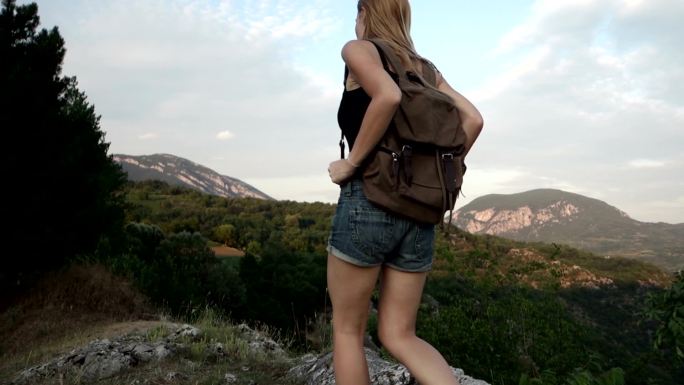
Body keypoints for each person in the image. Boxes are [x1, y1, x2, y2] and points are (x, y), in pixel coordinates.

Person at [325, 1, 484, 384]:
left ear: (365, 13)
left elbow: (388, 96)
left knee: (348, 331)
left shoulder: (359, 50)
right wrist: (438, 170)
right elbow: (474, 120)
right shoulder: (427, 70)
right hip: (420, 213)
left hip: (370, 199)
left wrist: (352, 163)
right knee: (400, 334)